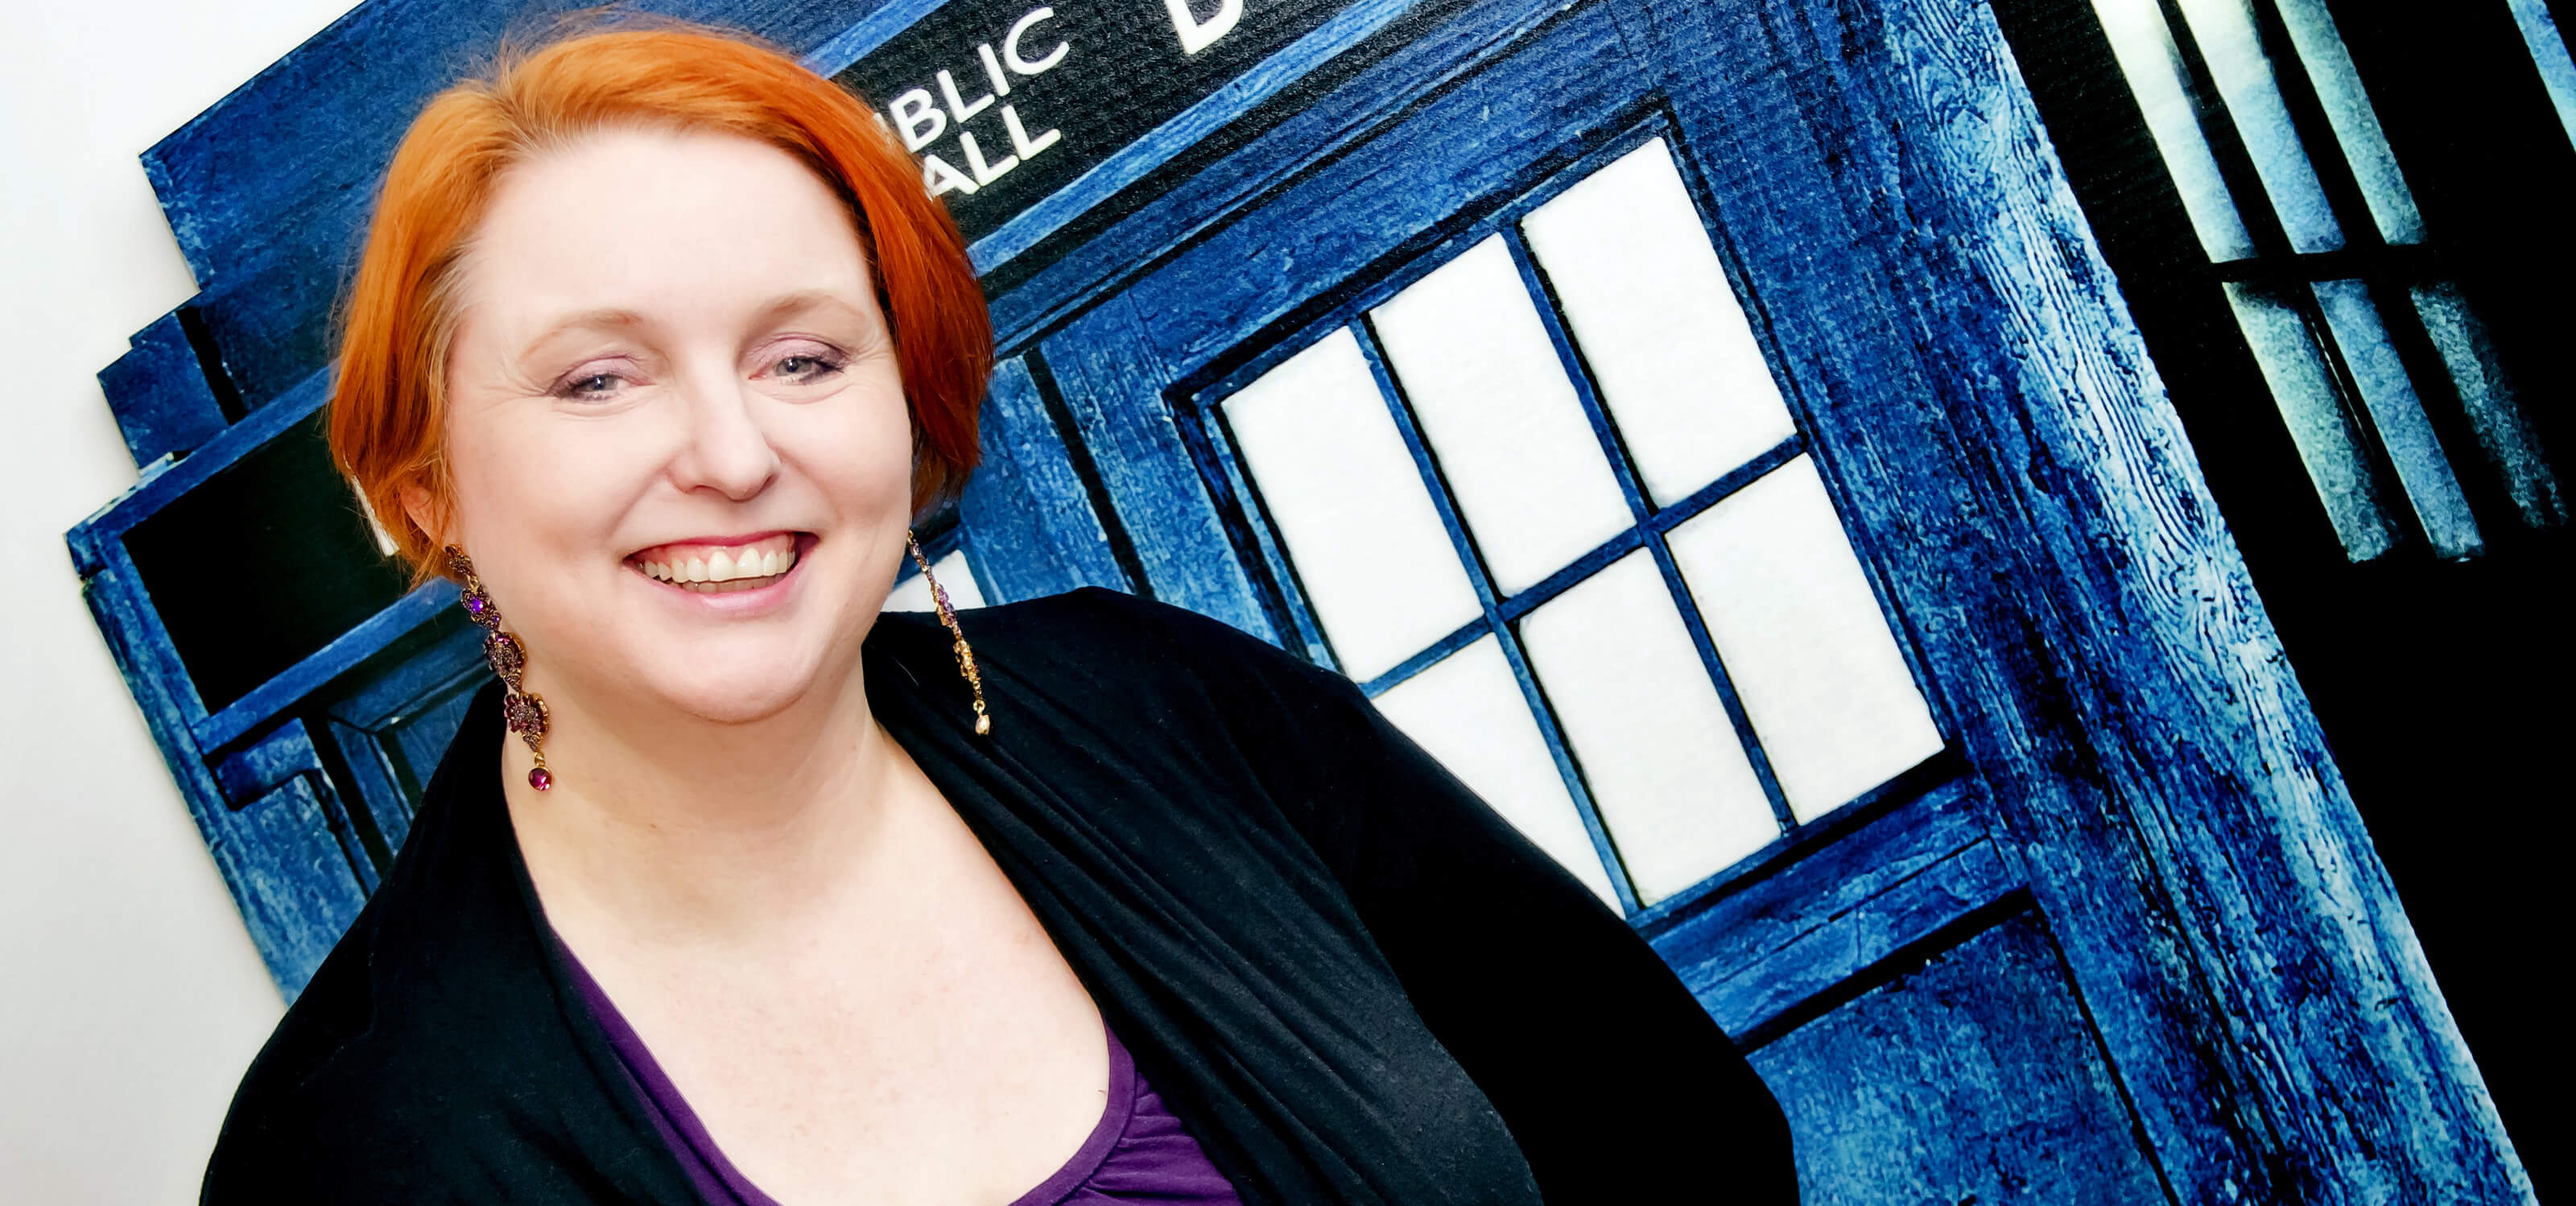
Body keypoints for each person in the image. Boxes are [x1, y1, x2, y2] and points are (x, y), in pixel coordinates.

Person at [200, 23, 1795, 1205]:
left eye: (804, 355)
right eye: (600, 376)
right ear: (423, 487)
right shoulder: (351, 1150)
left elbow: (1676, 1138)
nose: (733, 452)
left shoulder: (1174, 707)